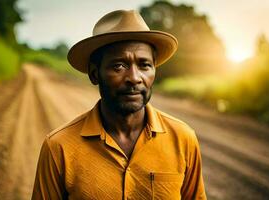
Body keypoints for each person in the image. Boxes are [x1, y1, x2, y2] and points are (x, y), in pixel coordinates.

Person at [32, 10, 206, 200]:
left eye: (144, 65)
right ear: (94, 74)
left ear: (154, 70)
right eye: (119, 66)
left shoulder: (183, 139)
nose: (134, 78)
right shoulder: (59, 147)